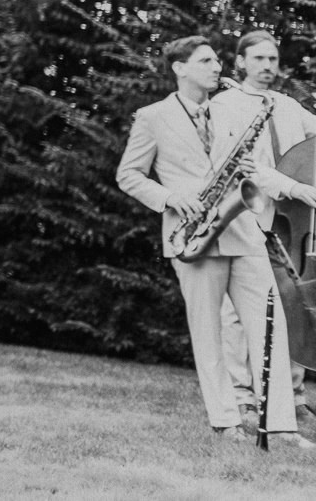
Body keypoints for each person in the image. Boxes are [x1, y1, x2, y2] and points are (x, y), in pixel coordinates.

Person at [117, 34, 316, 448]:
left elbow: (256, 170)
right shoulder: (152, 117)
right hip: (193, 235)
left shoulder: (233, 111)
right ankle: (225, 420)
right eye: (206, 61)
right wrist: (171, 197)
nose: (216, 67)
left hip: (243, 231)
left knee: (272, 325)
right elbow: (129, 176)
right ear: (180, 67)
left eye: (216, 61)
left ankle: (281, 427)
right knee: (207, 332)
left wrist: (278, 183)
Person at [216, 29, 316, 423]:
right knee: (236, 311)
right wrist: (300, 188)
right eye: (258, 59)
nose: (267, 66)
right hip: (247, 214)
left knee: (293, 302)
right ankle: (241, 396)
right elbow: (245, 166)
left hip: (291, 220)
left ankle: (292, 397)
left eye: (272, 59)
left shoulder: (287, 105)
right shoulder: (224, 105)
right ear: (240, 61)